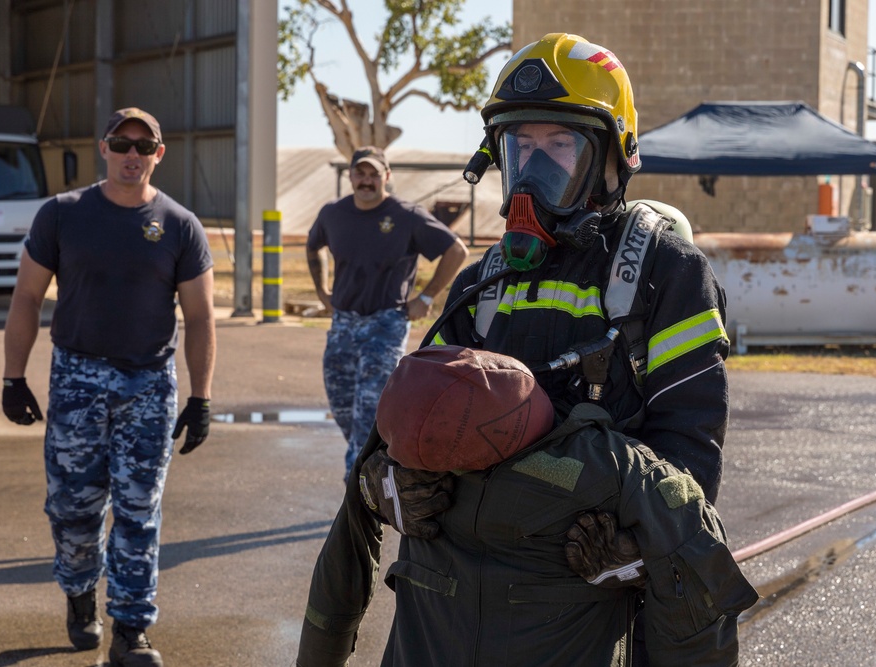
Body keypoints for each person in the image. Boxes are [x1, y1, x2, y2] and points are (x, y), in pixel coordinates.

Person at [304, 32, 735, 665]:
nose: (536, 170)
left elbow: (691, 456)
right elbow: (413, 424)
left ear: (615, 157)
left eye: (561, 145)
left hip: (567, 617)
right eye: (520, 146)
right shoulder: (484, 280)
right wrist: (386, 485)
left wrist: (630, 554)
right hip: (436, 615)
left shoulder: (663, 273)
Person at [297, 346, 757, 665]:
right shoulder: (615, 468)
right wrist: (375, 479)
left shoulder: (612, 471)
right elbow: (699, 603)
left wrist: (641, 569)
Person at [1, 107, 215, 667]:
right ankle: (78, 592)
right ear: (104, 147)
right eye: (122, 143)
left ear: (159, 154)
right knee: (73, 508)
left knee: (139, 510)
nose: (132, 155)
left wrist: (201, 397)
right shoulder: (63, 214)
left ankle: (131, 628)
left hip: (149, 384)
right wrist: (13, 376)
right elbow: (26, 296)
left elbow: (201, 316)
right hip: (76, 381)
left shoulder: (180, 224)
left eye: (144, 147)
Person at [306, 146, 468, 481]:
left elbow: (456, 250)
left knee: (368, 413)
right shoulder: (332, 213)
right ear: (350, 175)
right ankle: (372, 469)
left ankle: (359, 490)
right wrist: (323, 293)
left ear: (386, 177)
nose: (366, 181)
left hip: (385, 324)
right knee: (342, 406)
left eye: (373, 174)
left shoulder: (406, 215)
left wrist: (425, 296)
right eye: (360, 174)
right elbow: (313, 246)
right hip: (344, 324)